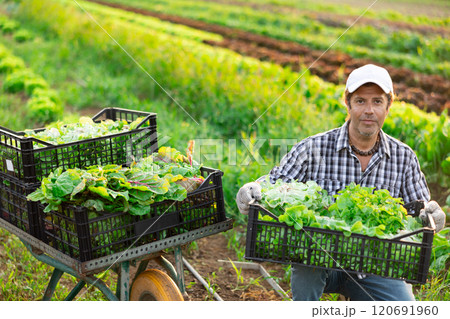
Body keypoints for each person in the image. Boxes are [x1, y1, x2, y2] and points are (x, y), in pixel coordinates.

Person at [236, 64, 446, 301]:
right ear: (347, 103)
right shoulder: (314, 147)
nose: (369, 110)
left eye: (377, 102)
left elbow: (421, 210)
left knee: (403, 308)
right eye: (360, 101)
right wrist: (253, 188)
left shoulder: (403, 157)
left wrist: (433, 216)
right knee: (306, 266)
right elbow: (275, 183)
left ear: (388, 106)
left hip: (376, 266)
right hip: (318, 259)